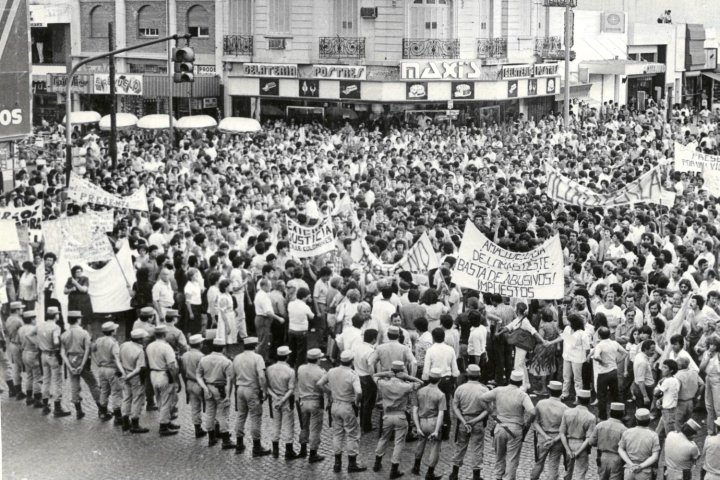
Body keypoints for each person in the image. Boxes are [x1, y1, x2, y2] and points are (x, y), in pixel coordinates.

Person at [480, 370, 536, 480]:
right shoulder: (522, 395)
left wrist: (492, 413)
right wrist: (527, 423)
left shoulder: (499, 390)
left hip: (500, 427)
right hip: (515, 428)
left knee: (499, 456)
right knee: (512, 459)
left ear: (509, 379)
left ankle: (497, 477)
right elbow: (533, 412)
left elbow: (482, 398)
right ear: (520, 383)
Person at [372, 360, 424, 478]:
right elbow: (420, 382)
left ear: (392, 370)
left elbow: (374, 375)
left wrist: (387, 374)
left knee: (383, 438)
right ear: (402, 371)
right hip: (400, 415)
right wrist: (406, 376)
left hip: (386, 415)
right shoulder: (406, 386)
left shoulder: (383, 384)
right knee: (399, 442)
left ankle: (377, 463)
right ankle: (394, 469)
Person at [317, 350, 367, 474]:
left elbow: (319, 384)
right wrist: (357, 402)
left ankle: (337, 463)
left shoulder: (331, 371)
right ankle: (352, 463)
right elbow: (359, 392)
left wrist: (329, 393)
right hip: (348, 406)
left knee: (337, 434)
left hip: (335, 405)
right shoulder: (352, 374)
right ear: (351, 361)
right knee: (352, 434)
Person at [448, 364, 489, 480]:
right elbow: (488, 409)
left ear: (467, 375)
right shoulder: (484, 389)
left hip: (463, 420)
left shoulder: (460, 389)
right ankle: (476, 476)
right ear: (479, 375)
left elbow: (455, 406)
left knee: (460, 446)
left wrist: (463, 420)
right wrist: (475, 420)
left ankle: (454, 473)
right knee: (477, 447)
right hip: (478, 421)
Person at [233, 336, 272, 456]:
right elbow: (261, 376)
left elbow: (233, 375)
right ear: (255, 346)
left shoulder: (237, 357)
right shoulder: (257, 358)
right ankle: (256, 446)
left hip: (240, 388)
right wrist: (264, 390)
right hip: (252, 389)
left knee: (240, 415)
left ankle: (239, 444)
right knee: (255, 417)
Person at [60, 310, 101, 419]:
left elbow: (62, 353)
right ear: (78, 319)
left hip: (70, 359)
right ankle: (102, 409)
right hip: (82, 359)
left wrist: (69, 366)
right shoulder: (84, 333)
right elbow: (88, 350)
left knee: (74, 385)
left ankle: (79, 411)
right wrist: (82, 365)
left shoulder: (64, 334)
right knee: (93, 384)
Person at [196, 337, 235, 449]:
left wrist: (205, 388)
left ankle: (211, 438)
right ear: (223, 348)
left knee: (209, 413)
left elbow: (198, 375)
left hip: (208, 387)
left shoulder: (204, 359)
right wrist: (228, 395)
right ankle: (226, 440)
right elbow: (229, 380)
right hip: (221, 389)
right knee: (223, 414)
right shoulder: (226, 361)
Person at [422, 327, 459, 440]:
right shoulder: (450, 350)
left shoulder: (430, 350)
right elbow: (455, 369)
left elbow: (426, 369)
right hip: (446, 380)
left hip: (433, 380)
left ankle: (432, 430)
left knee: (431, 406)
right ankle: (445, 432)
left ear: (433, 338)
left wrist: (425, 380)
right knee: (445, 406)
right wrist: (453, 379)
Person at [146, 324, 181, 436]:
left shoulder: (149, 346)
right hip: (164, 374)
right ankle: (163, 426)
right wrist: (176, 380)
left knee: (159, 399)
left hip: (153, 374)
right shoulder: (167, 347)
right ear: (165, 334)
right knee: (167, 400)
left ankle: (167, 420)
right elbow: (171, 366)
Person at [266, 345, 301, 460]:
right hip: (286, 401)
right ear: (287, 357)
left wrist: (276, 398)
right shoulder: (290, 371)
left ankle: (275, 450)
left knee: (276, 424)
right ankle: (289, 450)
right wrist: (282, 400)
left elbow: (267, 387)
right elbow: (291, 389)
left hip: (274, 400)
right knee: (288, 425)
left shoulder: (269, 369)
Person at [36, 306, 71, 417]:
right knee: (57, 381)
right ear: (56, 315)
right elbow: (56, 342)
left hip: (43, 355)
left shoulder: (40, 326)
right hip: (53, 355)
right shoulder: (55, 327)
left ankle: (45, 405)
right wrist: (62, 342)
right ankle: (57, 407)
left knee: (46, 380)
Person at [530, 381, 568, 480]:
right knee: (554, 465)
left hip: (543, 437)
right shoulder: (565, 408)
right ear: (560, 393)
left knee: (539, 463)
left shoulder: (540, 403)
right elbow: (565, 430)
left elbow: (534, 422)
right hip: (558, 439)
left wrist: (545, 436)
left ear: (549, 391)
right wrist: (554, 440)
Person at [559, 389, 597, 480]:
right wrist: (578, 452)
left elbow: (562, 433)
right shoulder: (591, 417)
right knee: (581, 472)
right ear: (588, 401)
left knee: (567, 471)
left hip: (568, 442)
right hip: (581, 444)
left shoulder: (567, 412)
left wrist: (568, 450)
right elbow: (588, 438)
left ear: (578, 399)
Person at [296, 348, 326, 463]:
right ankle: (313, 453)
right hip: (315, 402)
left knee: (304, 426)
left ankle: (303, 449)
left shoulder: (301, 368)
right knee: (315, 429)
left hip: (303, 401)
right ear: (318, 359)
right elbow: (325, 386)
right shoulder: (321, 372)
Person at [93, 321, 126, 424]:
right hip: (111, 369)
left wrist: (96, 361)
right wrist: (122, 371)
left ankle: (102, 412)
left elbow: (92, 351)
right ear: (112, 331)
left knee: (104, 391)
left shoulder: (98, 340)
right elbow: (116, 358)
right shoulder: (113, 342)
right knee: (116, 392)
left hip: (101, 369)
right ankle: (118, 417)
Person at [119, 329, 150, 434]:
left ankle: (125, 423)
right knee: (137, 399)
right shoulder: (140, 351)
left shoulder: (124, 345)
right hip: (135, 376)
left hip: (124, 373)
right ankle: (135, 424)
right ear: (140, 339)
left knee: (126, 398)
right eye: (143, 339)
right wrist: (129, 376)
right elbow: (139, 369)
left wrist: (124, 374)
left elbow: (118, 360)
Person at [592, 326, 626, 420]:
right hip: (613, 372)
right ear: (609, 334)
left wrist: (602, 363)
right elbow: (625, 353)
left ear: (599, 335)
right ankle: (618, 415)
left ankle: (602, 417)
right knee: (615, 394)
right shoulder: (614, 343)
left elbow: (596, 357)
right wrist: (618, 361)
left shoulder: (600, 345)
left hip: (603, 373)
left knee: (602, 396)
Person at [618, 408, 660, 480]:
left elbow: (620, 449)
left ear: (636, 420)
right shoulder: (653, 435)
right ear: (649, 420)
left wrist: (630, 464)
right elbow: (655, 456)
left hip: (629, 470)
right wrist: (640, 466)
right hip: (645, 471)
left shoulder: (627, 432)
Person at [589, 402, 627, 480]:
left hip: (602, 457)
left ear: (610, 412)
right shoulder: (624, 430)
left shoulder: (600, 425)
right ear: (623, 414)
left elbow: (591, 442)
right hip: (617, 458)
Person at [180, 333, 206, 438]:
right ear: (200, 344)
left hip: (189, 382)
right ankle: (214, 430)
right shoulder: (201, 356)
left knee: (195, 407)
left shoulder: (184, 355)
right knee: (209, 406)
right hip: (200, 384)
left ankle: (197, 428)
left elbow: (182, 371)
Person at [18, 311, 42, 407]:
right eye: (35, 319)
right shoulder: (33, 329)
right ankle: (37, 399)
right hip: (33, 353)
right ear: (32, 319)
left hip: (24, 353)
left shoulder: (21, 329)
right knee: (37, 377)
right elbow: (38, 342)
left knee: (29, 376)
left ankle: (29, 397)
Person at [654, 359, 680, 444]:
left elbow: (655, 393)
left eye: (665, 367)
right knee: (658, 432)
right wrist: (661, 400)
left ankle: (671, 454)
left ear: (671, 371)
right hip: (669, 410)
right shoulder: (675, 380)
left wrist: (659, 383)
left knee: (670, 437)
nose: (662, 369)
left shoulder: (667, 381)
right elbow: (671, 394)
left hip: (668, 412)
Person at [674, 356, 703, 428]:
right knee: (687, 424)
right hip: (691, 402)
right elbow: (702, 384)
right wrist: (697, 396)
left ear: (679, 366)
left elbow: (675, 390)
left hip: (680, 402)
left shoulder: (677, 375)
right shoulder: (694, 372)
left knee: (677, 424)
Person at [288, 287, 314, 368]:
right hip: (301, 332)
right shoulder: (305, 307)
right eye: (308, 296)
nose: (310, 298)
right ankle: (299, 370)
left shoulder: (290, 304)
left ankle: (290, 367)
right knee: (301, 353)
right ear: (304, 297)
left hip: (291, 330)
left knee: (292, 351)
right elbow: (311, 316)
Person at [5, 301, 25, 400]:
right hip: (18, 345)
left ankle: (18, 390)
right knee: (26, 369)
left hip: (11, 344)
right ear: (17, 310)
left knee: (16, 368)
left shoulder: (8, 319)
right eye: (21, 308)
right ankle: (31, 392)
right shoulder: (18, 320)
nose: (22, 310)